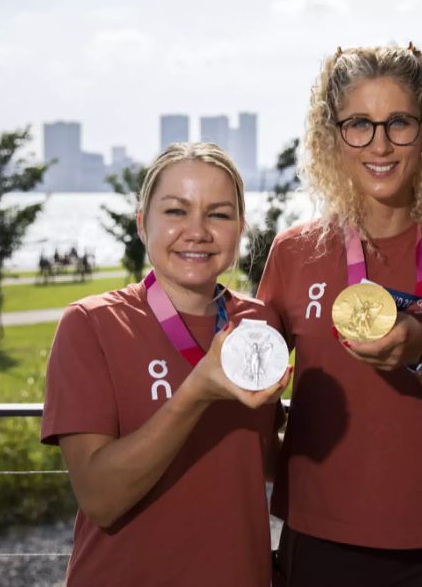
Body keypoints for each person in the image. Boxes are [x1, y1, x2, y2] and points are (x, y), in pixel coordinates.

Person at [257, 43, 422, 586]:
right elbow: (256, 391)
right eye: (359, 124)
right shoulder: (295, 252)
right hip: (316, 536)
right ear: (331, 136)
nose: (380, 144)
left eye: (399, 123)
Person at [41, 142, 291, 586]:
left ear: (240, 230)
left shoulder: (259, 325)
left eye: (218, 214)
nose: (197, 231)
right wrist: (196, 392)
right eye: (176, 211)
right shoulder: (91, 325)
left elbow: (264, 460)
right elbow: (100, 498)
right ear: (142, 223)